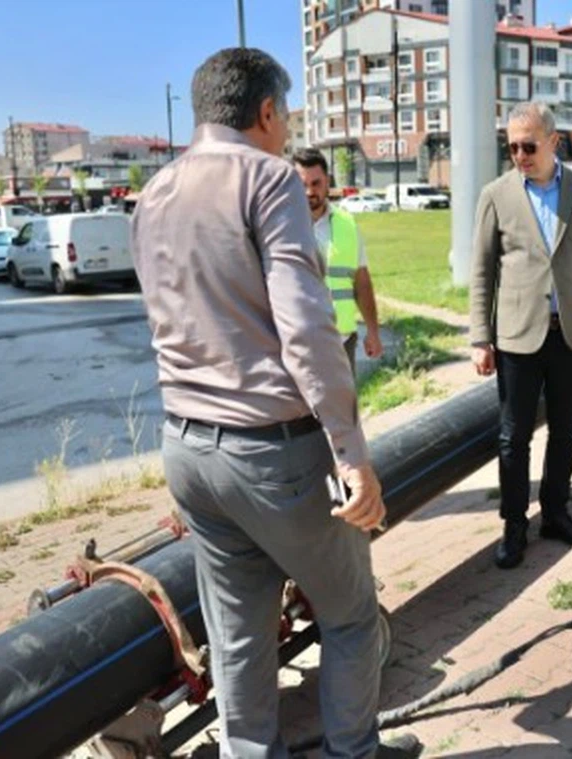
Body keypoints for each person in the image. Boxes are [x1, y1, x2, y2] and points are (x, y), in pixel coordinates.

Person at [130, 48, 419, 759]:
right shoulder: (267, 179)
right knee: (350, 614)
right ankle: (356, 751)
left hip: (190, 451)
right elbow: (308, 328)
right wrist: (353, 457)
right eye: (284, 115)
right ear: (265, 112)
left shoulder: (154, 193)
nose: (287, 129)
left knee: (237, 633)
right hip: (274, 450)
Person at [468, 101, 572, 570]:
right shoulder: (495, 195)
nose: (519, 154)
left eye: (528, 145)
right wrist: (480, 336)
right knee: (514, 438)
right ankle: (514, 525)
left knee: (565, 432)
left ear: (554, 142)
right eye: (512, 146)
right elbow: (481, 271)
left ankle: (556, 512)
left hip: (571, 334)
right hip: (516, 337)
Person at [293, 147, 384, 375]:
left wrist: (372, 331)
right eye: (302, 185)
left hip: (342, 343)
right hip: (297, 347)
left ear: (327, 182)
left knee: (344, 411)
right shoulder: (280, 227)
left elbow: (361, 282)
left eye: (316, 184)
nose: (309, 191)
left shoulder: (347, 225)